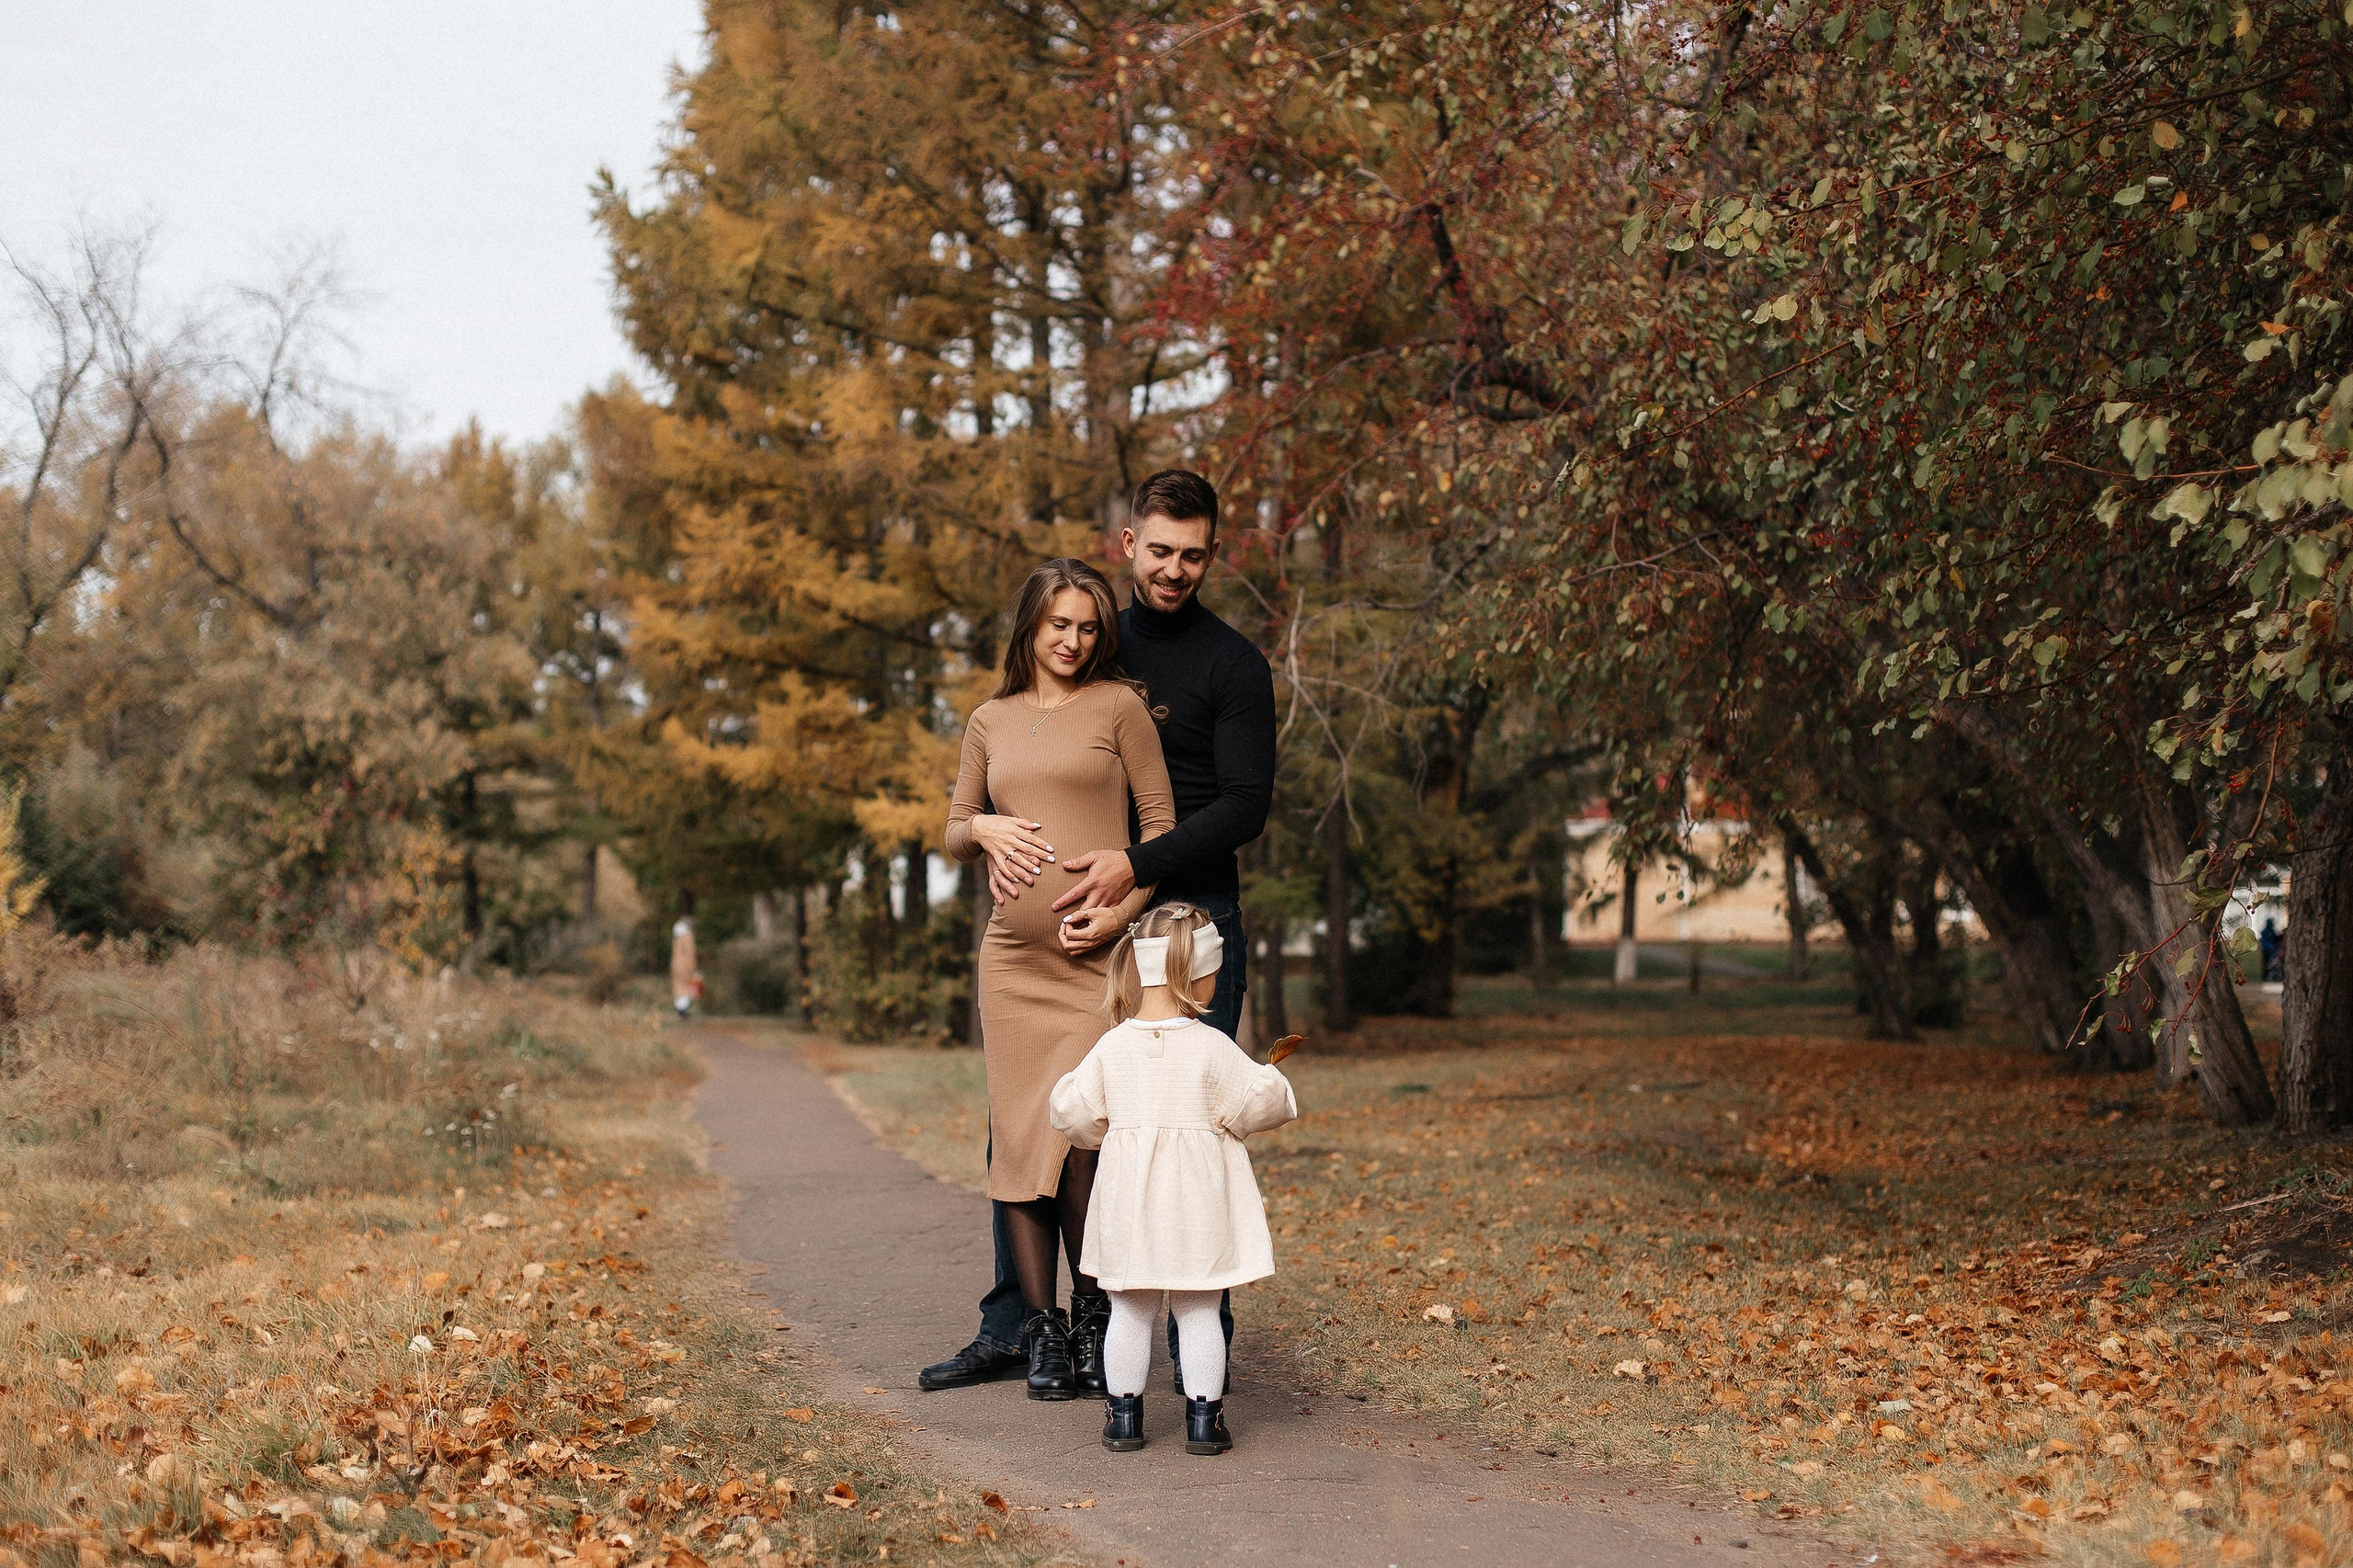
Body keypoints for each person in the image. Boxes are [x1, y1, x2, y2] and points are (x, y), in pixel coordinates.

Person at [920, 471, 1279, 1397]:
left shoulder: (1228, 665)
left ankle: (1192, 1337)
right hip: (1052, 938)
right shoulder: (1085, 649)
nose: (1174, 567)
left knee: (1170, 1122)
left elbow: (1243, 802)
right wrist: (990, 829)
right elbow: (977, 800)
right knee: (1033, 1130)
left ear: (1210, 555)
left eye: (1193, 553)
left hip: (1181, 919)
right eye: (1159, 549)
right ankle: (1021, 1323)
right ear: (1129, 545)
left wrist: (1131, 869)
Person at [941, 558, 1176, 1400]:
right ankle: (1041, 1335)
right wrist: (988, 831)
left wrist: (1123, 911)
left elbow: (1160, 829)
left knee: (1082, 1143)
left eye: (1086, 626)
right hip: (1012, 963)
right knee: (1017, 1146)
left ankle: (1091, 1314)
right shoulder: (989, 720)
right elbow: (954, 826)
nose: (1073, 641)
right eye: (1058, 626)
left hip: (1094, 962)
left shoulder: (1120, 709)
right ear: (1030, 630)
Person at [1049, 903, 1298, 1454]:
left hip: (1128, 1205)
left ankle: (1123, 1420)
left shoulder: (1112, 1047)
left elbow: (1075, 1114)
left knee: (1130, 1310)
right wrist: (1275, 1080)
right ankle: (1204, 1423)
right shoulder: (1212, 1048)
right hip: (1197, 1207)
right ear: (1197, 974)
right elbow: (1256, 1106)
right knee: (1200, 1307)